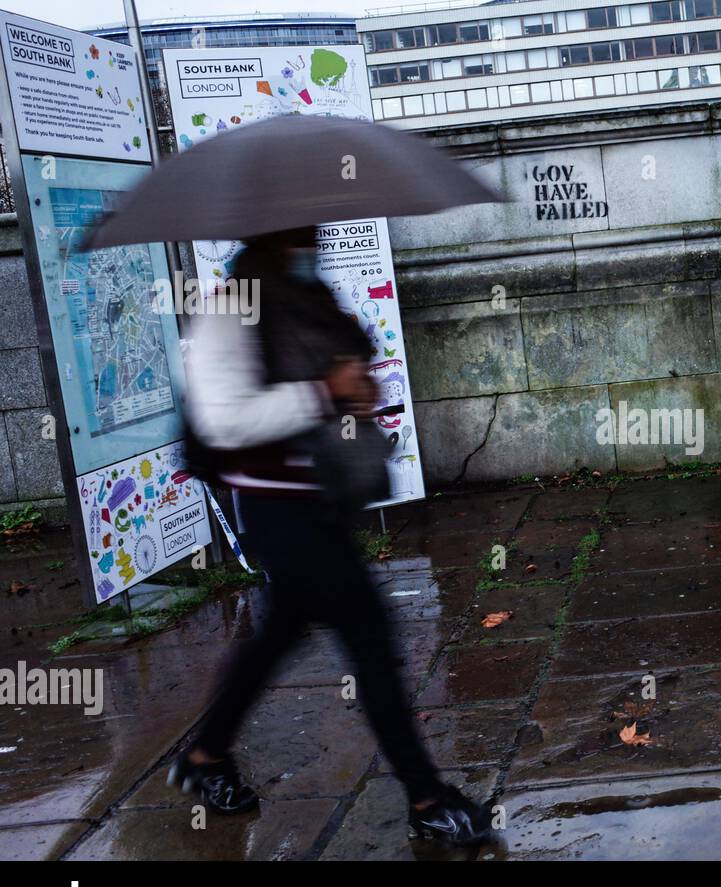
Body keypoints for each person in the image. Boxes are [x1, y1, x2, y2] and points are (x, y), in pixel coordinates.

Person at [173, 225, 492, 845]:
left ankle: (205, 754)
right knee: (370, 634)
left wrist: (353, 395)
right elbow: (225, 420)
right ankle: (427, 798)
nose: (314, 235)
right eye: (301, 227)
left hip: (319, 501)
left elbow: (330, 389)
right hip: (277, 510)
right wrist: (325, 392)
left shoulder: (304, 295)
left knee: (277, 636)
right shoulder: (227, 309)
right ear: (272, 230)